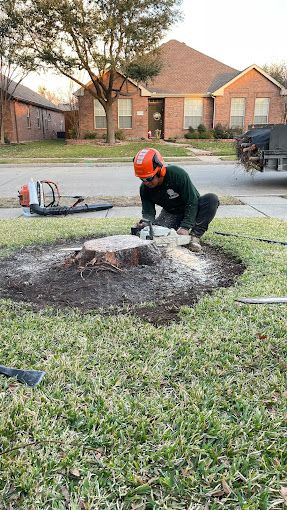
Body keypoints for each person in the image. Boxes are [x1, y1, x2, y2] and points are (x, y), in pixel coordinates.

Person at [133, 147, 219, 252]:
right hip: (171, 213)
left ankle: (194, 237)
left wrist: (186, 226)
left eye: (149, 178)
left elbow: (192, 201)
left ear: (160, 170)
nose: (146, 182)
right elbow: (148, 212)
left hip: (193, 208)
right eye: (142, 179)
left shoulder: (177, 174)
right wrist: (146, 224)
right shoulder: (144, 189)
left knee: (212, 199)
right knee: (159, 234)